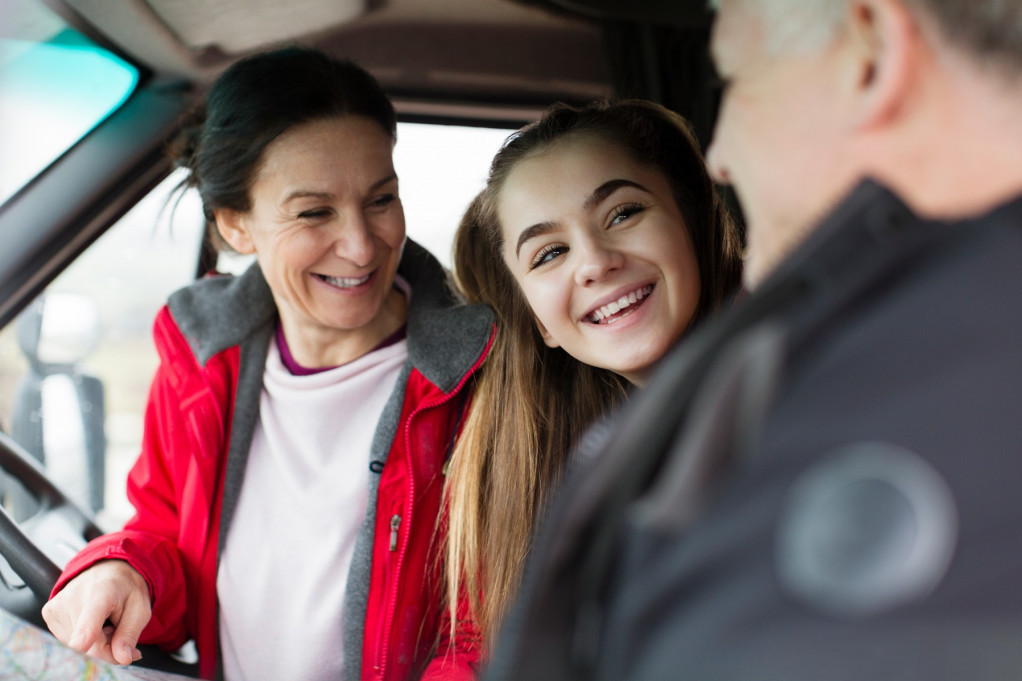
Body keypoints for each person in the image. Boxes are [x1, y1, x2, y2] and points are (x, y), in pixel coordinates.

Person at [482, 1, 1022, 680]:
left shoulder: (887, 381)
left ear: (870, 52)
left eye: (733, 81)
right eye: (546, 254)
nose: (720, 158)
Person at [40, 46, 494, 681]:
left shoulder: (478, 377)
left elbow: (489, 626)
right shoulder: (198, 355)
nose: (362, 245)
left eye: (381, 199)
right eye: (314, 212)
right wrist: (122, 570)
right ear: (235, 225)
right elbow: (171, 538)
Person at [443, 100, 742, 653]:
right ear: (541, 322)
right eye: (550, 252)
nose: (594, 261)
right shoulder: (550, 471)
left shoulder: (806, 387)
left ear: (691, 224)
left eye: (623, 214)